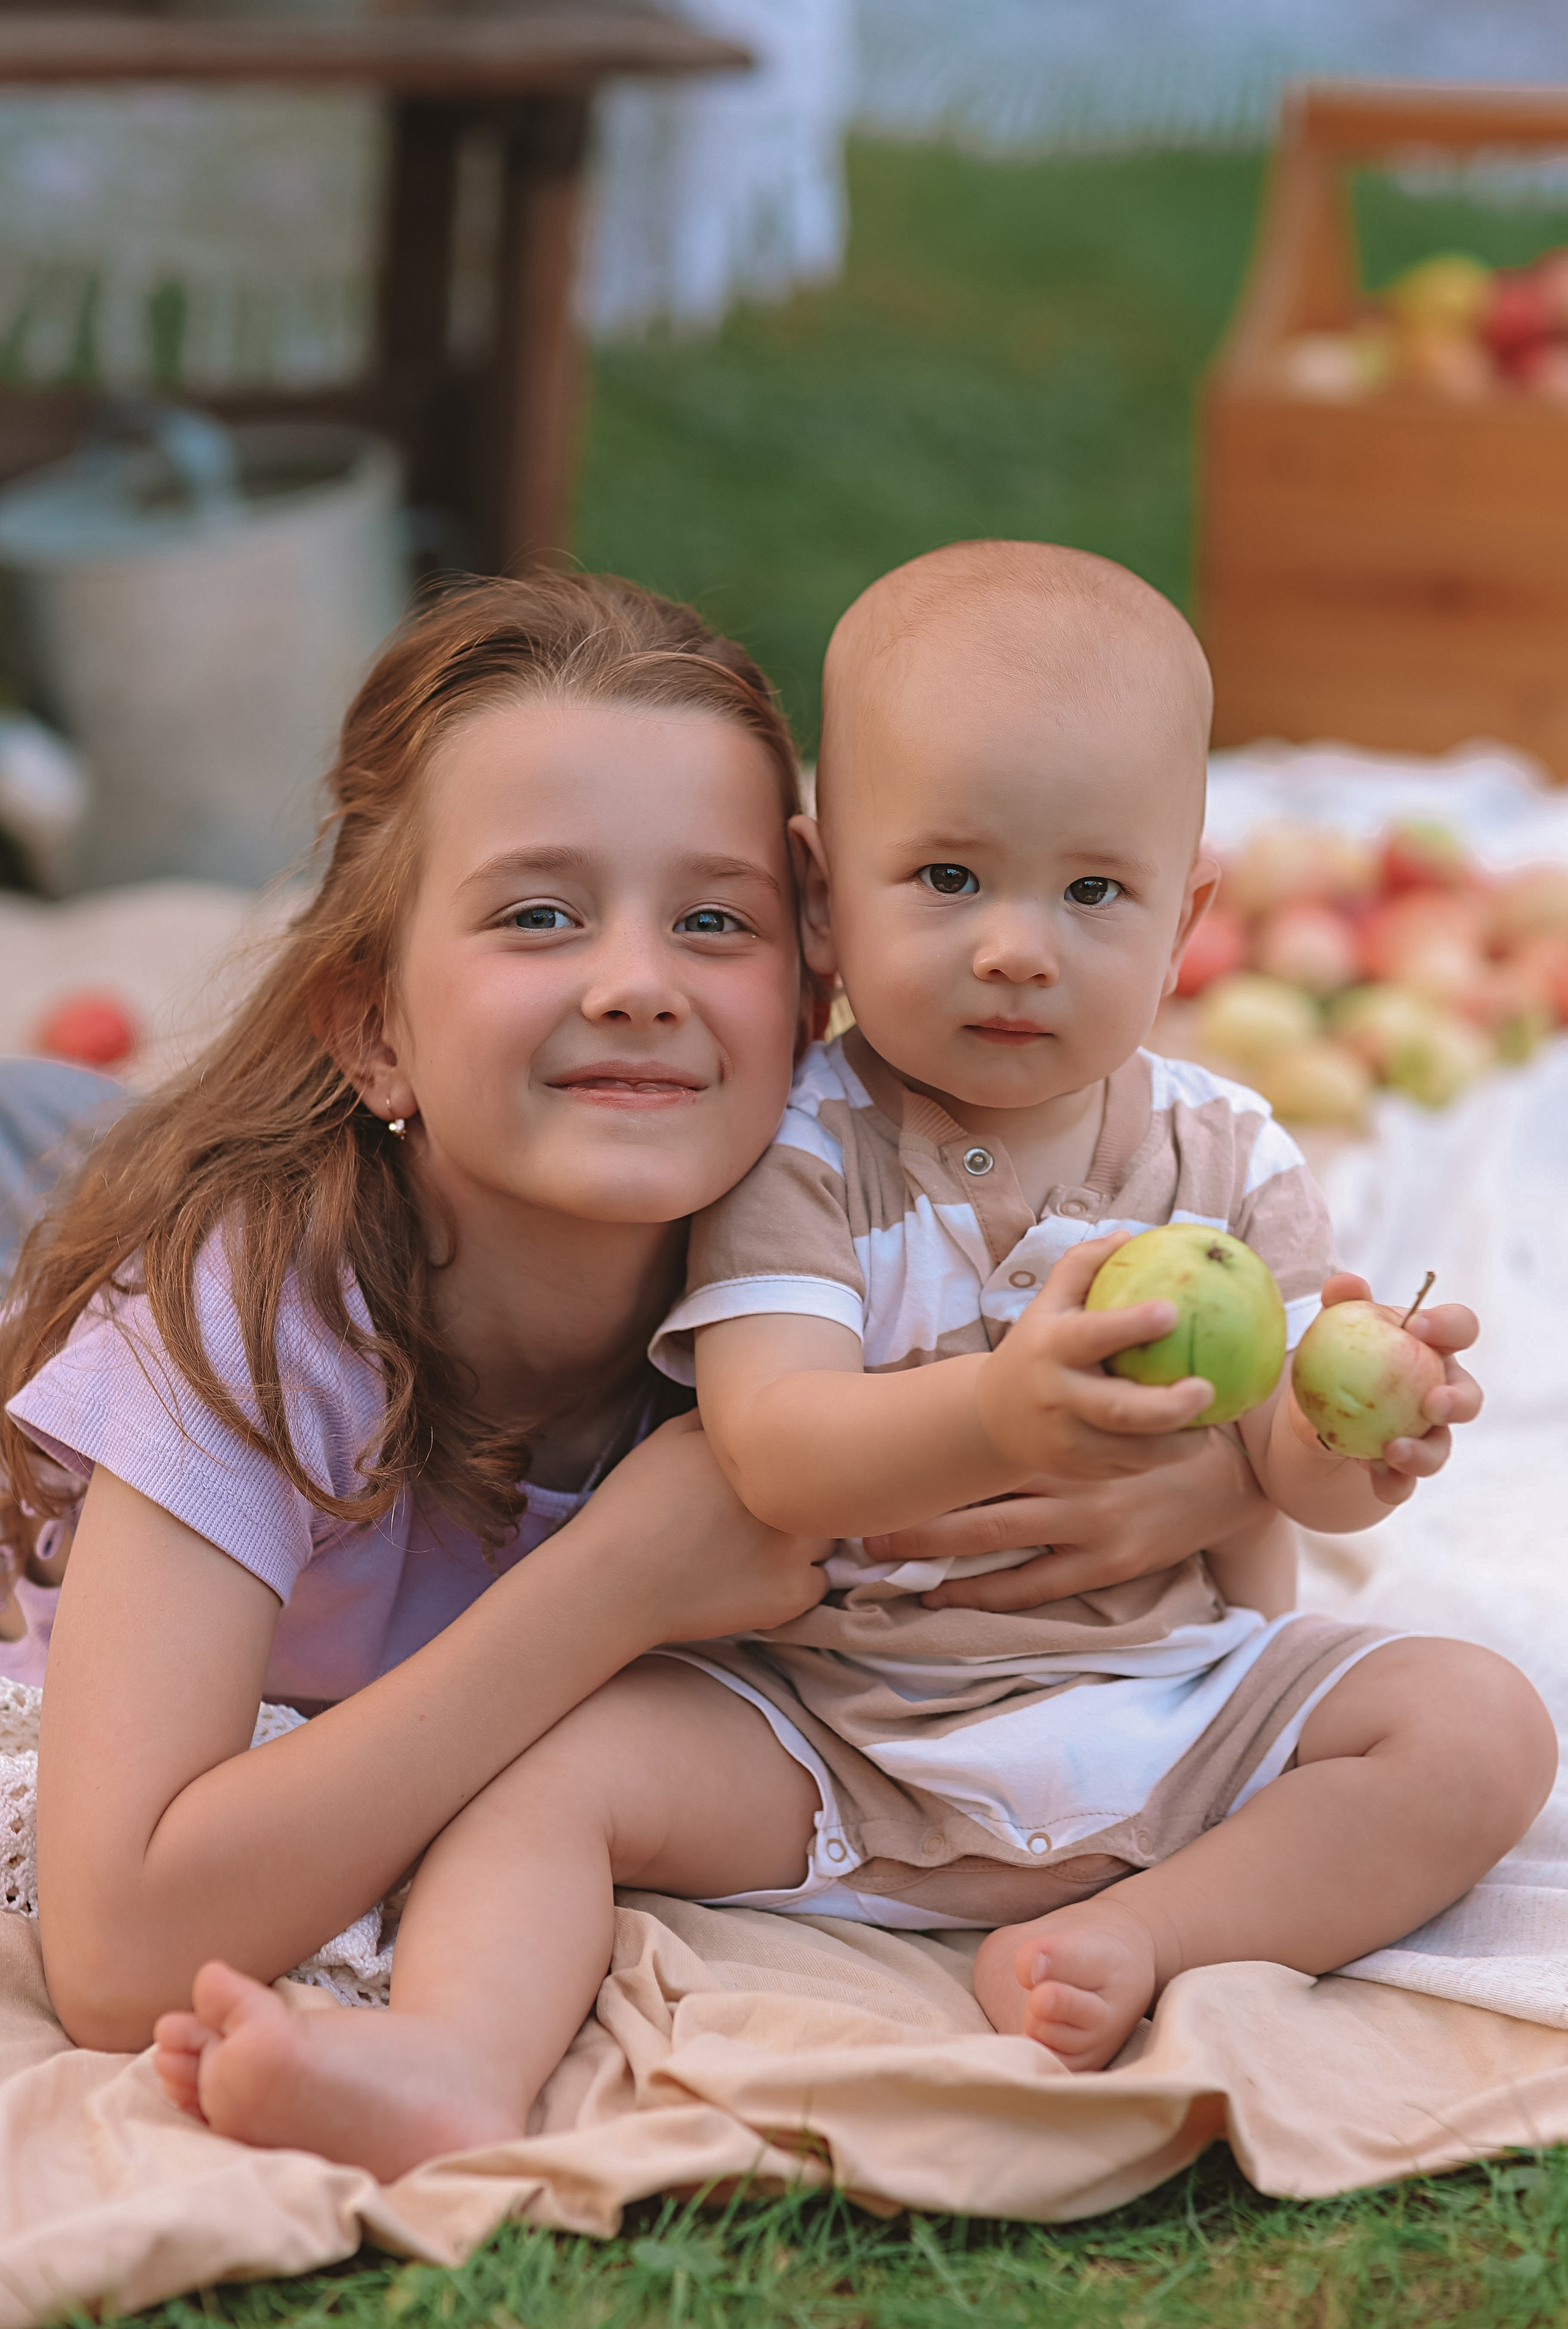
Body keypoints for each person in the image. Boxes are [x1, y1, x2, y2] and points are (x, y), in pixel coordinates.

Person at [143, 544, 1550, 2180]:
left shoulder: (1225, 1151)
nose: (1017, 948)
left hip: (1164, 1707)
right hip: (835, 1731)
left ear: (1187, 919)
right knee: (545, 1781)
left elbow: (1287, 1462)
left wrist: (1363, 1435)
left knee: (1477, 1723)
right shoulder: (797, 1147)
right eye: (949, 878)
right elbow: (771, 1448)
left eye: (1094, 893)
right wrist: (1004, 1410)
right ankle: (454, 2059)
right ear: (823, 898)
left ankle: (1141, 1936)